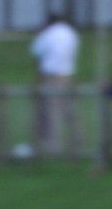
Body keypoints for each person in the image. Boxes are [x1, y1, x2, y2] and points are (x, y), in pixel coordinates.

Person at [30, 12, 80, 155]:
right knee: (70, 108)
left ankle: (53, 146)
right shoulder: (71, 33)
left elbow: (37, 53)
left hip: (51, 74)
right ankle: (77, 139)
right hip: (68, 74)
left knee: (51, 111)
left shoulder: (48, 33)